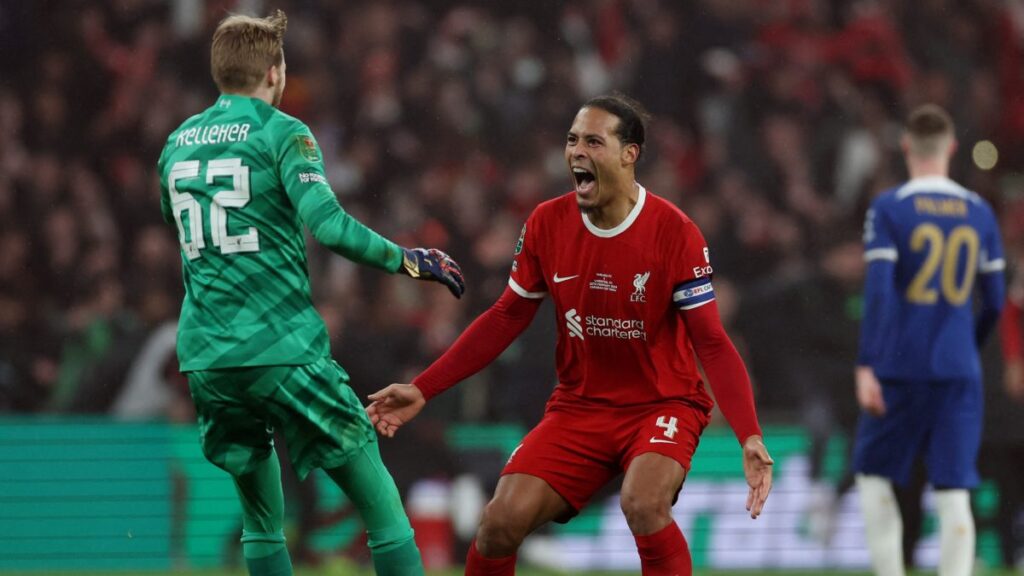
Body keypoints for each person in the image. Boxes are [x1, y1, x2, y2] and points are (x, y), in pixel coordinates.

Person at [367, 93, 773, 575]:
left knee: (643, 503)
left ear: (630, 154)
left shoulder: (674, 233)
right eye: (572, 139)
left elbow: (711, 341)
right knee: (498, 522)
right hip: (580, 407)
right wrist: (422, 388)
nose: (577, 151)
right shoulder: (547, 223)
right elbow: (504, 318)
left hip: (663, 404)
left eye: (594, 141)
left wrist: (749, 434)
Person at [156, 10, 465, 576]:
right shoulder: (284, 132)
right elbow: (331, 228)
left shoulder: (176, 145)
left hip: (209, 357)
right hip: (283, 347)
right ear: (274, 71)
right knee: (380, 503)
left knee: (261, 519)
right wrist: (410, 261)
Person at [852, 104, 1005, 576]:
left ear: (906, 148)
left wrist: (866, 364)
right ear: (952, 149)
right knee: (954, 490)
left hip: (900, 367)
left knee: (874, 476)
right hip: (959, 369)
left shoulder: (890, 208)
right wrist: (968, 345)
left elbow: (878, 292)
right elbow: (995, 300)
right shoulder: (979, 212)